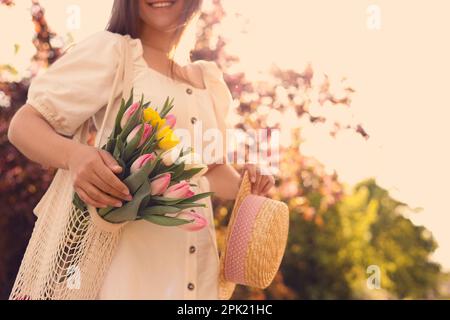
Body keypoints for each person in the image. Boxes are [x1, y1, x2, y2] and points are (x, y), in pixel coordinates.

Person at [8, 0, 275, 299]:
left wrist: (247, 186)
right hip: (126, 273)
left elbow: (207, 171)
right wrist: (75, 156)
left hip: (197, 278)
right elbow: (24, 125)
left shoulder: (208, 80)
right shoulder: (114, 53)